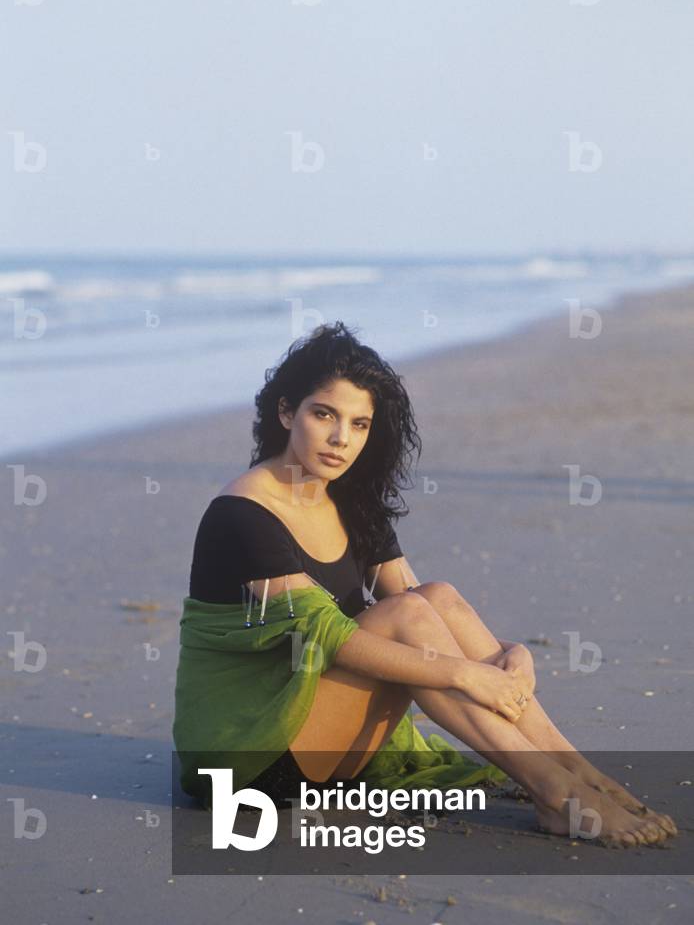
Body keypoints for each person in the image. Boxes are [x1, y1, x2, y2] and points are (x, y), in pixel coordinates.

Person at [177, 320, 677, 848]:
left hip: (325, 744)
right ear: (286, 412)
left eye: (360, 424)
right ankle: (556, 790)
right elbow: (332, 638)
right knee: (407, 617)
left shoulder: (349, 502)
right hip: (249, 762)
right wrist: (466, 677)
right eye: (323, 414)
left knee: (434, 596)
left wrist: (512, 652)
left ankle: (578, 775)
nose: (341, 438)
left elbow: (427, 609)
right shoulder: (241, 516)